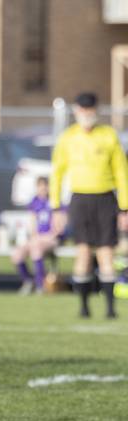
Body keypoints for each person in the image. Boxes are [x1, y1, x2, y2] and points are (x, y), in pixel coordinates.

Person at [51, 92, 128, 318]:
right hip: (80, 199)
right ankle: (83, 307)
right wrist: (56, 207)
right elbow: (57, 173)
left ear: (96, 110)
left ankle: (110, 308)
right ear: (76, 111)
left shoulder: (108, 136)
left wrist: (124, 208)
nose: (86, 114)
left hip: (105, 199)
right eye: (82, 110)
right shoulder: (68, 138)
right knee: (83, 252)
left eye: (90, 110)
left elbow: (121, 174)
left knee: (106, 253)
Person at [12, 177, 66, 295]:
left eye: (45, 186)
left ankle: (40, 285)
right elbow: (32, 226)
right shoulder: (34, 203)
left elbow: (59, 227)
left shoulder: (56, 202)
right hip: (37, 239)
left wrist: (46, 236)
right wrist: (35, 236)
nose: (43, 189)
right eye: (40, 187)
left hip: (52, 239)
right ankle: (28, 281)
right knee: (17, 254)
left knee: (36, 249)